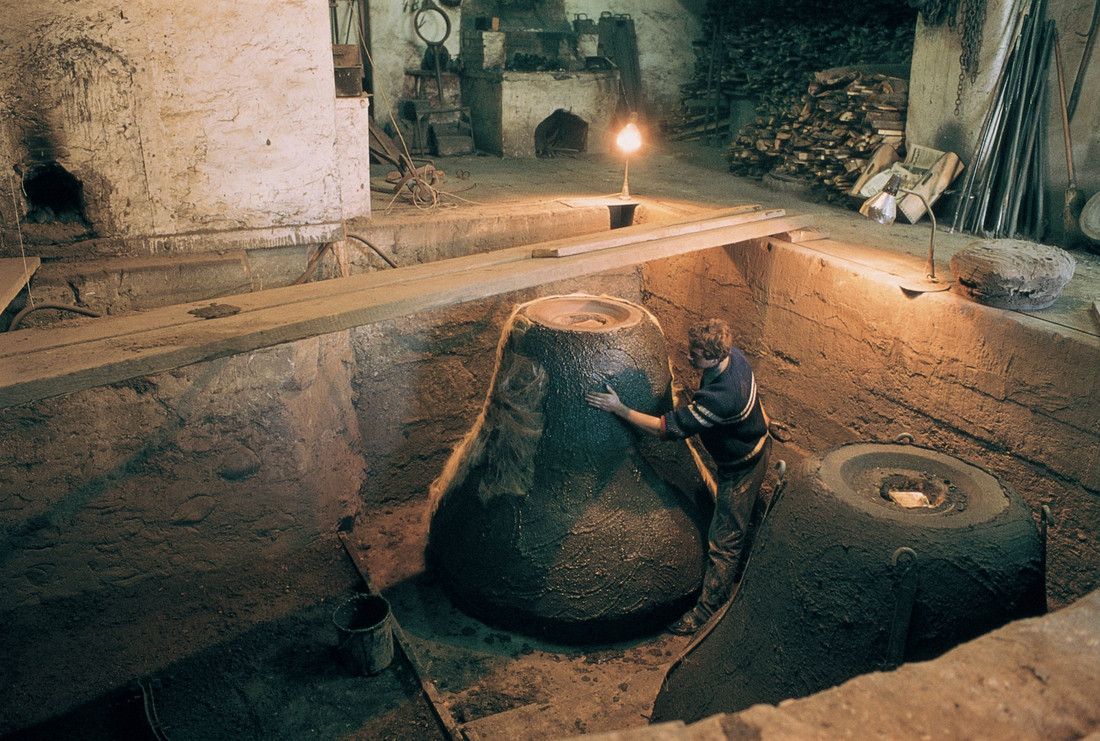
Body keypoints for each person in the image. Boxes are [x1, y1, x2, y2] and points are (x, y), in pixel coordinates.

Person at [585, 318, 771, 635]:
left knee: (724, 539)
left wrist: (620, 409)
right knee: (733, 523)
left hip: (742, 465)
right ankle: (740, 561)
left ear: (715, 356)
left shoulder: (722, 397)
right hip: (754, 440)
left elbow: (666, 429)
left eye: (696, 355)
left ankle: (708, 612)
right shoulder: (734, 357)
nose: (689, 358)